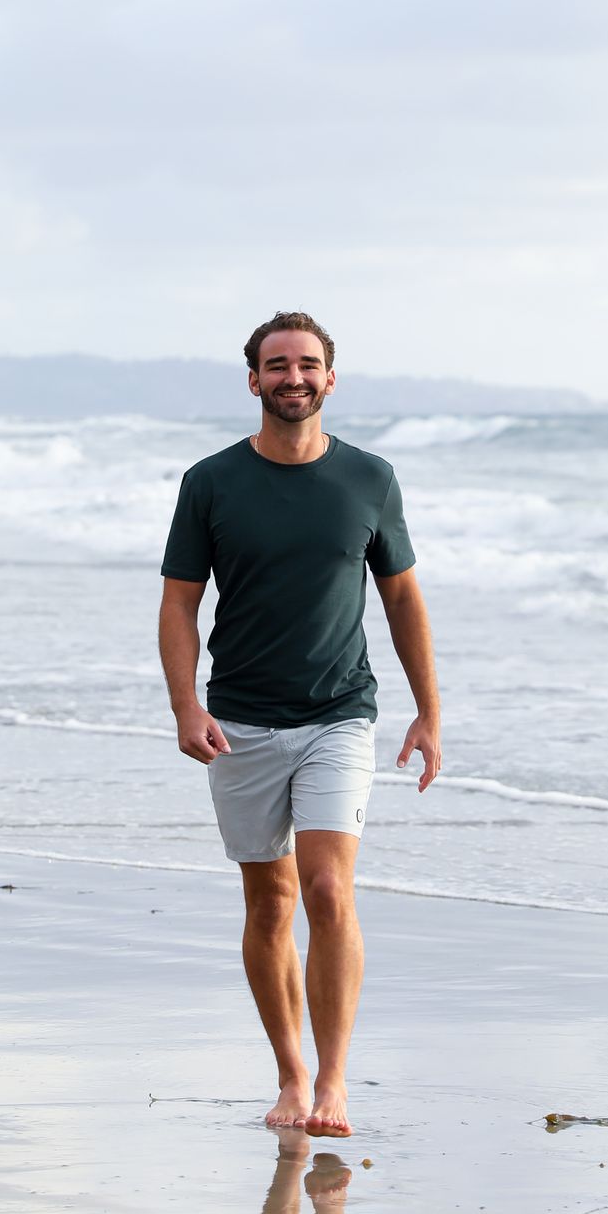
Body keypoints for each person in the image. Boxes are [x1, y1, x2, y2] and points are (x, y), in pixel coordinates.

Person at [158, 311, 441, 1137]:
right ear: (254, 380)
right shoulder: (210, 482)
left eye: (307, 363)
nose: (293, 376)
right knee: (271, 900)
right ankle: (289, 1073)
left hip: (338, 714)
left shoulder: (370, 479)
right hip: (240, 718)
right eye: (276, 364)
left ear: (330, 377)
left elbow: (401, 596)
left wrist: (427, 708)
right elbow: (180, 602)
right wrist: (186, 704)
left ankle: (335, 1082)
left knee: (326, 887)